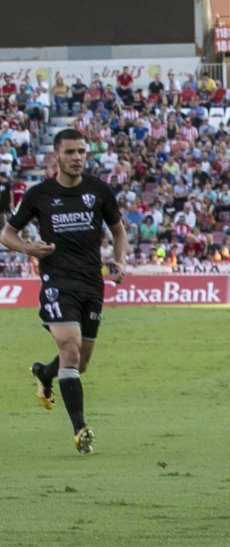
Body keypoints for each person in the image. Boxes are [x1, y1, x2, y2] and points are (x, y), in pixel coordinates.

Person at [0, 128, 128, 455]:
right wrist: (30, 248)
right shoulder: (40, 194)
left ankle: (44, 373)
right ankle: (80, 430)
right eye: (70, 152)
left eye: (82, 152)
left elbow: (118, 229)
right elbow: (7, 234)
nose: (77, 158)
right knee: (70, 347)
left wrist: (120, 259)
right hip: (57, 283)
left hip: (91, 283)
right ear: (56, 155)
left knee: (79, 363)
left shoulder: (99, 191)